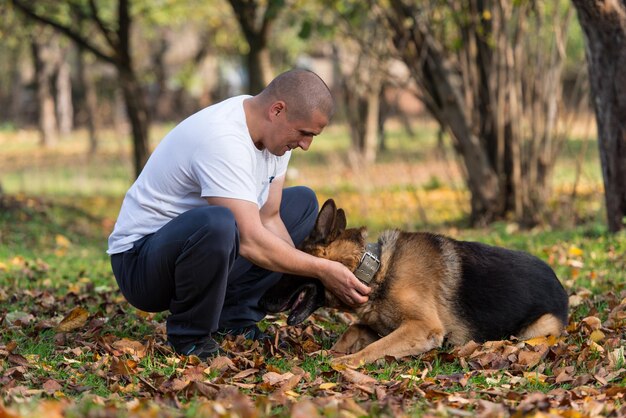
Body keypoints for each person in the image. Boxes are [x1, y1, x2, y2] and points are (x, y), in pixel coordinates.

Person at [107, 69, 371, 360]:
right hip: (142, 264)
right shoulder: (223, 138)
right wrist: (322, 270)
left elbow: (270, 217)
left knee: (302, 203)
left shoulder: (276, 139)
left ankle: (235, 318)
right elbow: (250, 240)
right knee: (220, 222)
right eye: (305, 133)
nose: (306, 145)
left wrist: (297, 278)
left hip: (204, 249)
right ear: (277, 110)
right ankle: (189, 335)